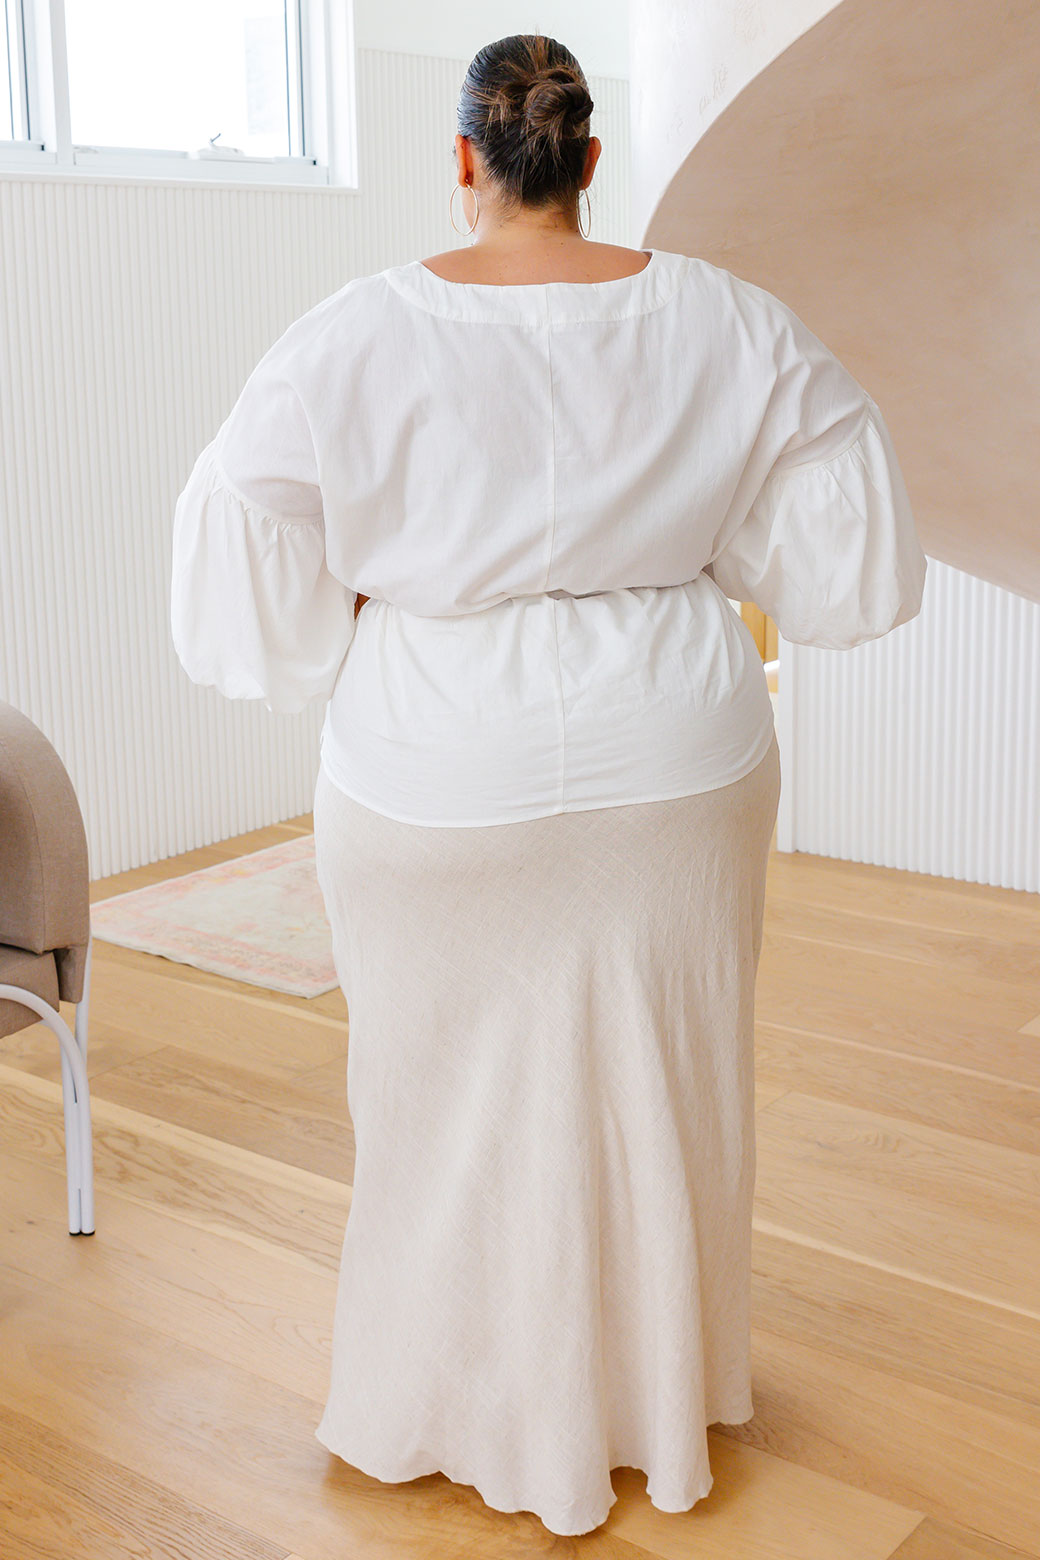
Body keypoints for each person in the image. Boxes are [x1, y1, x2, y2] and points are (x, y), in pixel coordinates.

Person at [170, 31, 928, 1538]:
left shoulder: (351, 332)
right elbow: (845, 520)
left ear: (465, 160)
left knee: (437, 1100)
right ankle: (656, 1397)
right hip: (679, 756)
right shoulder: (727, 317)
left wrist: (368, 594)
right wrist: (703, 542)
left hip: (437, 768)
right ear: (587, 159)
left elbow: (243, 546)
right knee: (668, 1084)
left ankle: (450, 1402)